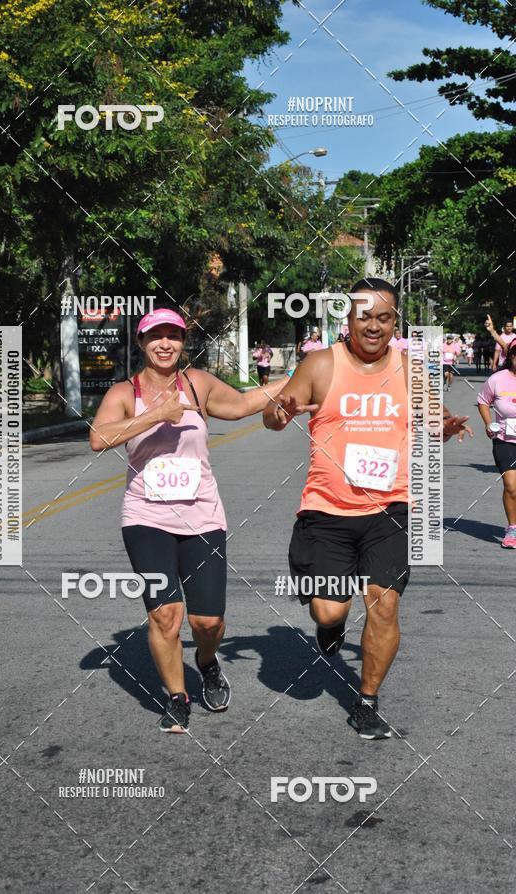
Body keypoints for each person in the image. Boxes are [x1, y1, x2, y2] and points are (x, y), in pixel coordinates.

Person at [263, 277, 471, 740]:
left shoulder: (411, 370)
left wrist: (446, 427)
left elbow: (432, 420)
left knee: (385, 605)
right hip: (326, 511)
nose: (373, 325)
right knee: (329, 612)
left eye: (383, 317)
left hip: (389, 510)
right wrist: (280, 412)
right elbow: (275, 415)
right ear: (348, 318)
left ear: (395, 321)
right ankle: (330, 629)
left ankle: (367, 700)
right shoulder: (320, 364)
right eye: (364, 316)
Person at [90, 307, 286, 733]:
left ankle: (206, 660)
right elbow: (98, 438)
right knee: (165, 616)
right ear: (141, 343)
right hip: (146, 516)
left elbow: (242, 404)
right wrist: (154, 415)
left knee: (207, 622)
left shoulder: (197, 385)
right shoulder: (126, 391)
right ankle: (178, 697)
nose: (165, 343)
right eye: (155, 336)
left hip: (202, 515)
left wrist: (303, 377)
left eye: (173, 336)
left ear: (183, 342)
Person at [477, 341, 516, 549]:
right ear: (510, 357)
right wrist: (487, 423)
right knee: (511, 486)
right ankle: (512, 528)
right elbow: (483, 401)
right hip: (505, 440)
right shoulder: (497, 379)